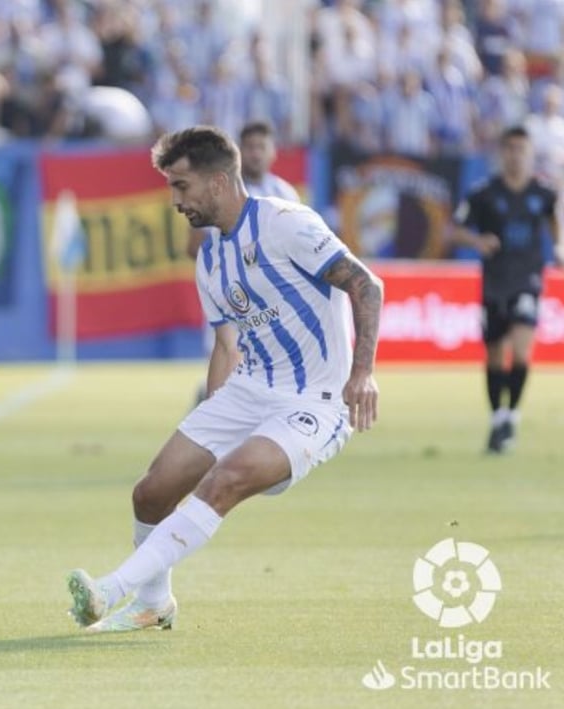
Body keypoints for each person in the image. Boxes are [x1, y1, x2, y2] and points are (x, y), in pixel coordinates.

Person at [66, 126, 383, 632]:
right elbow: (226, 344)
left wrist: (362, 374)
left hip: (315, 401)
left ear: (216, 183)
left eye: (181, 186)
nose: (174, 200)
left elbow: (366, 285)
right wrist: (212, 419)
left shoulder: (286, 223)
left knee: (222, 482)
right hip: (248, 390)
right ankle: (154, 604)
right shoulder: (210, 256)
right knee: (151, 492)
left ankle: (110, 589)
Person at [451, 126, 558, 453]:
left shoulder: (544, 193)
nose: (516, 155)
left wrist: (559, 246)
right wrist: (477, 241)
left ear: (529, 154)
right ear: (502, 153)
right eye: (510, 149)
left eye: (521, 149)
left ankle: (512, 415)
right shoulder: (484, 193)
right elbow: (453, 230)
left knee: (523, 351)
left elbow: (554, 222)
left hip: (528, 280)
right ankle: (498, 418)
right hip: (495, 282)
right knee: (495, 355)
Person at [189, 120, 303, 404]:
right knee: (227, 362)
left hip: (271, 298)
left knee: (271, 373)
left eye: (261, 147)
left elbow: (297, 247)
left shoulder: (285, 194)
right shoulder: (217, 191)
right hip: (231, 294)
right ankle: (209, 416)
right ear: (238, 153)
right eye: (249, 147)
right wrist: (227, 272)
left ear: (273, 152)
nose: (255, 154)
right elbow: (193, 246)